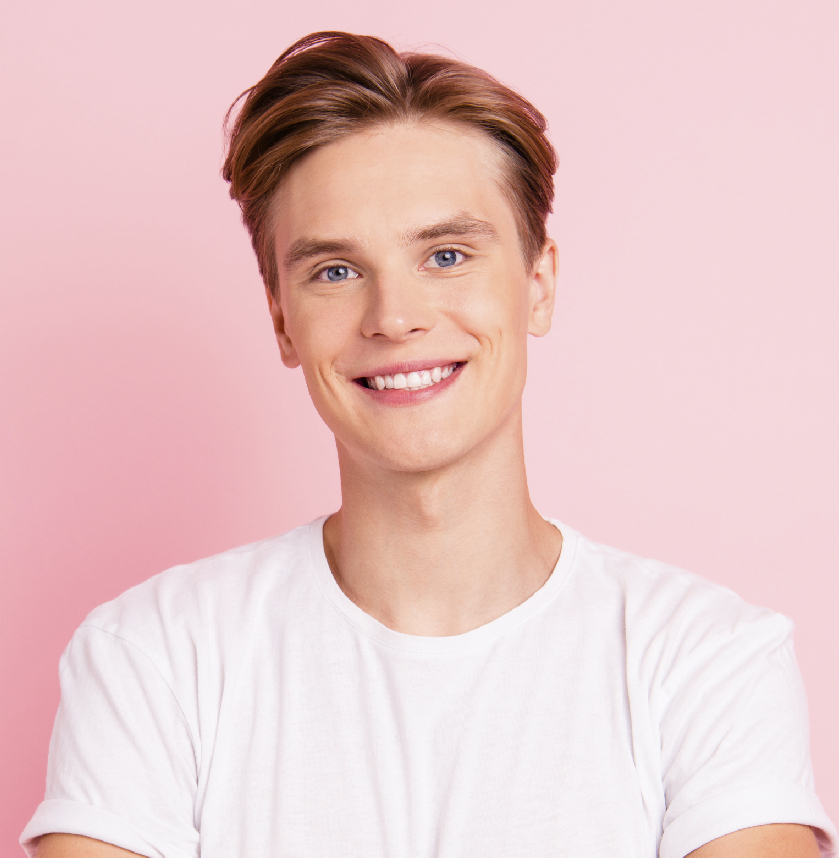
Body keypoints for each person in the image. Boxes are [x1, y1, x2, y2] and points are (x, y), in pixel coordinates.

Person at [22, 30, 837, 858]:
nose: (394, 316)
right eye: (335, 271)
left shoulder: (705, 660)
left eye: (446, 255)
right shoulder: (154, 656)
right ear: (281, 320)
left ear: (537, 284)